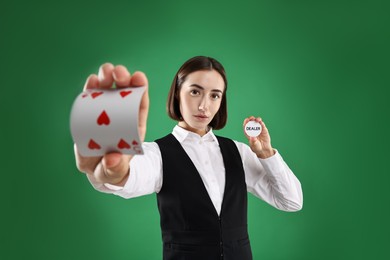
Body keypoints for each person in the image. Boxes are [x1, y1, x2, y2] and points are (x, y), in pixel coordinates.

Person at [74, 56, 303, 260]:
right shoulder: (157, 154)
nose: (204, 105)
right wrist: (115, 171)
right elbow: (128, 174)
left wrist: (267, 155)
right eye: (195, 91)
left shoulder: (240, 152)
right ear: (177, 93)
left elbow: (292, 201)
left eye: (215, 96)